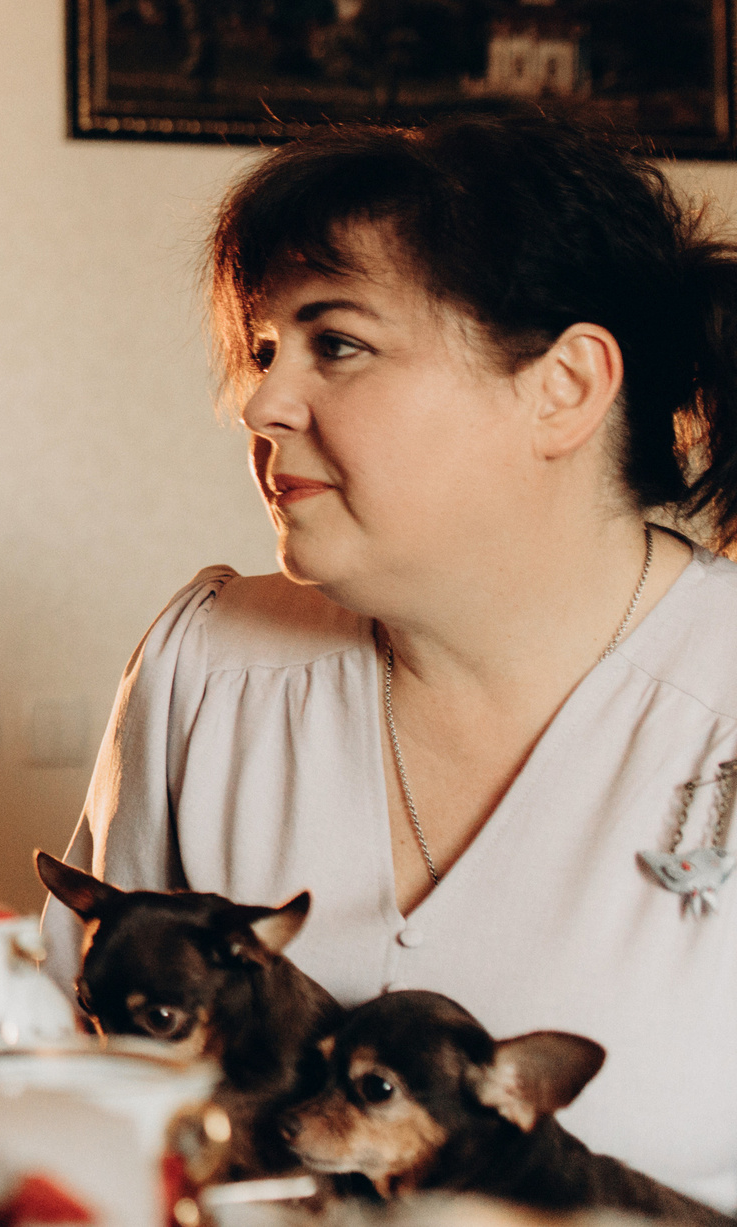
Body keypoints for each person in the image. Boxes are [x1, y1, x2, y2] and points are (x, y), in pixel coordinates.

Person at [49, 108, 737, 1208]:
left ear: (562, 388)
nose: (258, 402)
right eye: (266, 349)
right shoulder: (207, 665)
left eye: (338, 343)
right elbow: (68, 1090)